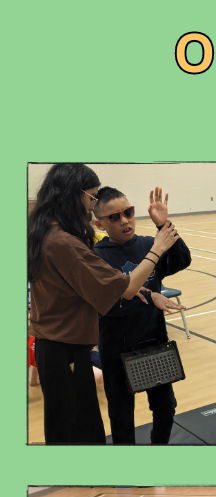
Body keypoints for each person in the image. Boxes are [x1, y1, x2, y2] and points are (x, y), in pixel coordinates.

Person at [26, 163, 178, 443]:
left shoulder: (45, 231)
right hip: (74, 348)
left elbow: (176, 261)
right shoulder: (67, 243)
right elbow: (124, 288)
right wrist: (158, 248)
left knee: (74, 425)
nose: (91, 205)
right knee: (81, 431)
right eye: (92, 198)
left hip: (68, 346)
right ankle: (89, 485)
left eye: (129, 213)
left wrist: (150, 288)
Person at [93, 186, 190, 444]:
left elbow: (182, 260)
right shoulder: (97, 257)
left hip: (153, 344)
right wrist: (150, 296)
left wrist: (163, 225)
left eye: (129, 212)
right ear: (99, 224)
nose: (124, 220)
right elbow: (112, 302)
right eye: (114, 217)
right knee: (122, 418)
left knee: (166, 408)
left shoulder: (148, 243)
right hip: (116, 351)